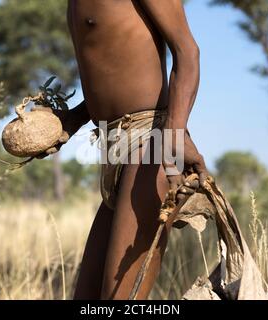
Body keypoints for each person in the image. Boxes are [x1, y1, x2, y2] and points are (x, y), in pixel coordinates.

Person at [40, 0, 207, 299]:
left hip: (151, 145)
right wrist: (71, 121)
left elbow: (188, 52)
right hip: (114, 150)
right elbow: (113, 71)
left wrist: (176, 131)